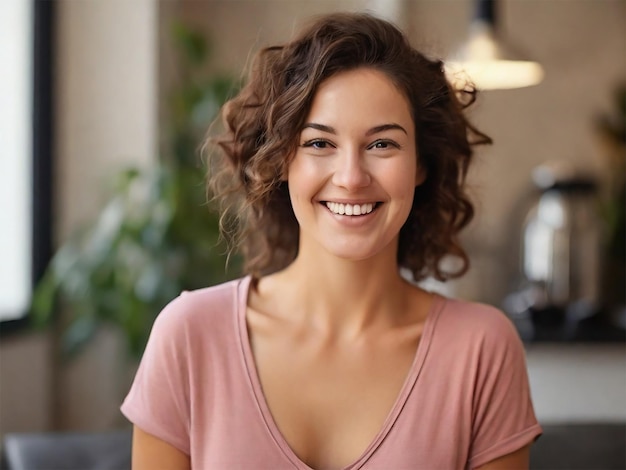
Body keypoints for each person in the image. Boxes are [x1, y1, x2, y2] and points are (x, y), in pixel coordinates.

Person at [121, 12, 542, 469]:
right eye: (320, 144)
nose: (351, 178)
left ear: (421, 164)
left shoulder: (481, 349)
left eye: (382, 144)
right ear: (284, 160)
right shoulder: (189, 335)